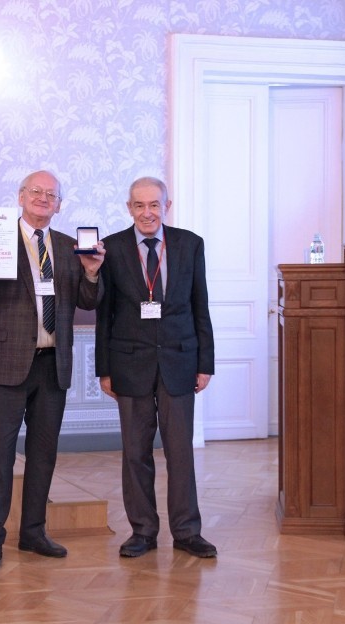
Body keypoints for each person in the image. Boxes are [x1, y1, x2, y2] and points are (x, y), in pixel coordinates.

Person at [0, 170, 104, 571]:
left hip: (53, 365)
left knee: (43, 454)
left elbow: (88, 302)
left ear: (59, 205)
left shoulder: (70, 247)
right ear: (21, 197)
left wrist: (92, 271)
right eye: (36, 191)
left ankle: (34, 532)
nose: (43, 198)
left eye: (51, 194)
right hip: (6, 365)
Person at [95, 176, 217, 559]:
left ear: (167, 206)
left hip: (180, 361)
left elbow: (200, 305)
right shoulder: (111, 248)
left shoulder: (190, 244)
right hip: (129, 363)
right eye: (139, 205)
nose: (147, 212)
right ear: (129, 208)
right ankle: (143, 532)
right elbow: (104, 314)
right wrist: (104, 369)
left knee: (180, 452)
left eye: (154, 205)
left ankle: (187, 532)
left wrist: (205, 363)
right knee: (135, 452)